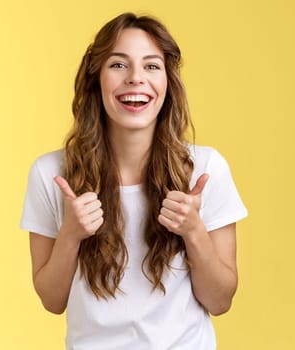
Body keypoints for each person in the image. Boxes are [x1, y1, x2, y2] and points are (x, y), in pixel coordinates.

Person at [20, 12, 248, 349]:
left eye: (152, 66)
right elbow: (53, 301)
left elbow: (220, 301)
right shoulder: (51, 174)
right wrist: (70, 233)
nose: (135, 78)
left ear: (168, 82)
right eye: (118, 65)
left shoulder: (205, 167)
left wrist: (193, 231)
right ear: (96, 79)